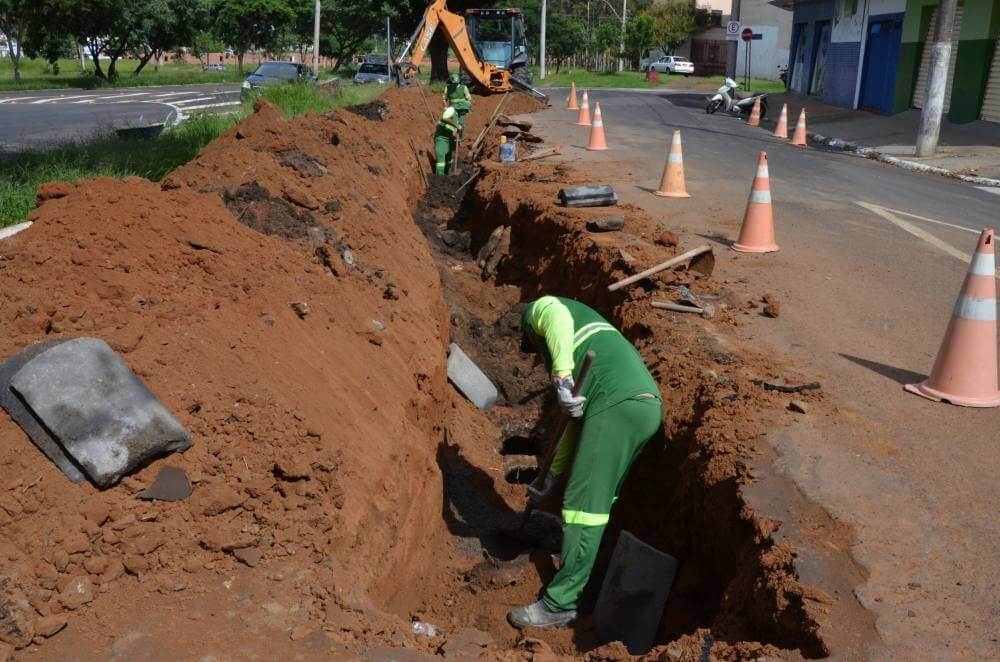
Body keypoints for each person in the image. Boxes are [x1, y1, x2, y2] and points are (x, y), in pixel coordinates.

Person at [508, 296, 663, 629]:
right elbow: (573, 424)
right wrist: (551, 474)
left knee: (584, 506)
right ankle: (582, 563)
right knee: (596, 499)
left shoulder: (544, 310)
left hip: (618, 404)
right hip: (637, 406)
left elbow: (555, 319)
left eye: (538, 351)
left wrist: (562, 379)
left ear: (530, 332)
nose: (542, 357)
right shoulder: (592, 347)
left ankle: (560, 603)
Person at [434, 103, 462, 175]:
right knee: (441, 158)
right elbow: (445, 118)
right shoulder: (451, 109)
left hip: (449, 139)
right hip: (441, 138)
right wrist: (456, 125)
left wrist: (456, 134)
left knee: (449, 159)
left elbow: (454, 130)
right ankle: (440, 177)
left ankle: (448, 176)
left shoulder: (457, 116)